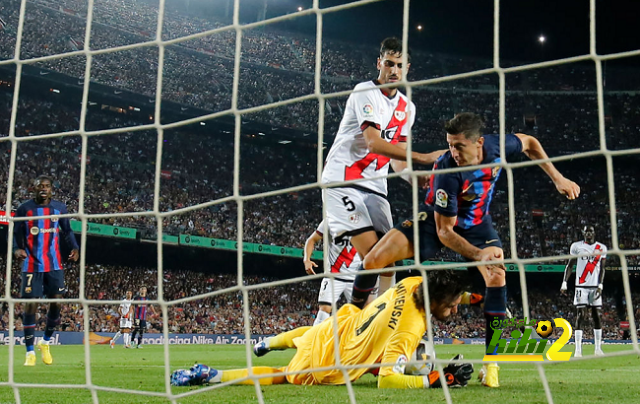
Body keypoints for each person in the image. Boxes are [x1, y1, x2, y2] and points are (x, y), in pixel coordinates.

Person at [354, 112, 581, 387]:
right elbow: (444, 233)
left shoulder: (498, 147)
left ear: (478, 143)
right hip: (438, 221)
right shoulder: (446, 171)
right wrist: (478, 255)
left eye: (459, 145)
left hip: (477, 224)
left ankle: (492, 364)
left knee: (498, 275)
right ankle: (351, 326)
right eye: (450, 145)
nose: (454, 152)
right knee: (374, 260)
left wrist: (557, 178)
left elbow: (530, 142)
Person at [175, 271, 473, 388]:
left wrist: (476, 297)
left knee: (309, 334)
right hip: (327, 363)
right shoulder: (409, 332)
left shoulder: (413, 283)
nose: (456, 310)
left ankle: (269, 342)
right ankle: (213, 376)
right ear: (437, 299)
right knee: (284, 376)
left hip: (333, 330)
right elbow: (388, 381)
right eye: (453, 305)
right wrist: (434, 381)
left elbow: (445, 294)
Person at [320, 37, 444, 307]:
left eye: (399, 65)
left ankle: (379, 320)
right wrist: (424, 157)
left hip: (376, 188)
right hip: (342, 181)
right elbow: (374, 142)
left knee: (390, 261)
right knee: (373, 256)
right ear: (379, 63)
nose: (393, 71)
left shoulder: (407, 109)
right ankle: (363, 323)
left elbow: (398, 162)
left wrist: (415, 177)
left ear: (407, 68)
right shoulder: (365, 91)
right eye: (389, 63)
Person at [13, 175, 79, 366]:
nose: (43, 189)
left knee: (57, 304)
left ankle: (46, 342)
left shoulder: (60, 208)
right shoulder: (24, 209)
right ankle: (30, 352)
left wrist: (75, 247)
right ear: (33, 189)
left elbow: (67, 231)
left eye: (47, 186)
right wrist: (16, 249)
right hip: (31, 265)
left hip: (54, 265)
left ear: (52, 189)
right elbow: (16, 233)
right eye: (39, 186)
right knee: (31, 305)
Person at [303, 221, 378, 326]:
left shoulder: (365, 222)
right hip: (333, 276)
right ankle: (315, 340)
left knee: (360, 313)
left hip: (355, 277)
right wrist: (306, 260)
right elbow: (312, 239)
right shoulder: (329, 220)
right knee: (324, 309)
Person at [561, 225, 607, 357]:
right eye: (586, 231)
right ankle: (578, 350)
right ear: (583, 233)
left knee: (596, 315)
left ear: (594, 232)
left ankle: (598, 348)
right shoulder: (576, 246)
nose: (588, 233)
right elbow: (569, 265)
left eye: (590, 231)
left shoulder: (601, 248)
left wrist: (600, 285)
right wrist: (564, 282)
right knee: (581, 315)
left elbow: (602, 269)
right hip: (581, 286)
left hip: (595, 287)